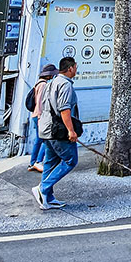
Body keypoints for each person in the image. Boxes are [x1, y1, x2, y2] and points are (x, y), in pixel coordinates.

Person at [33, 56, 79, 210]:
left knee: (50, 162)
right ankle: (43, 188)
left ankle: (47, 198)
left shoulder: (51, 82)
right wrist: (71, 131)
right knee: (70, 160)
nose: (76, 70)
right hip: (57, 130)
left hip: (45, 128)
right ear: (71, 68)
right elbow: (64, 109)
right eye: (75, 67)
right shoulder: (65, 85)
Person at [26, 63, 57, 173]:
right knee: (46, 139)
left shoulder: (38, 83)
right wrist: (40, 117)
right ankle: (38, 161)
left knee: (39, 140)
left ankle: (32, 162)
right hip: (40, 115)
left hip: (35, 115)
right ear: (48, 75)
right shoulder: (43, 85)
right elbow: (39, 102)